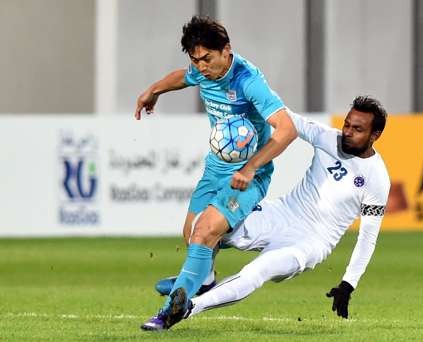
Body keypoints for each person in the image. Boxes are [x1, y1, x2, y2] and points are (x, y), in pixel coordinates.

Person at [143, 95, 391, 330]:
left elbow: (368, 237)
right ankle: (205, 279)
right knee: (206, 224)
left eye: (357, 129)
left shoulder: (376, 179)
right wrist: (248, 96)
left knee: (256, 272)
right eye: (347, 124)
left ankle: (185, 309)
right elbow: (285, 118)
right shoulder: (327, 137)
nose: (347, 132)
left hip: (310, 242)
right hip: (280, 213)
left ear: (375, 135)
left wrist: (349, 283)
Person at [136, 16, 297, 330]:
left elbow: (287, 129)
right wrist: (153, 90)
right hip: (216, 167)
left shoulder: (248, 81)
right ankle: (205, 280)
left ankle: (170, 312)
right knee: (192, 232)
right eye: (195, 60)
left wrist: (251, 168)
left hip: (249, 174)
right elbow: (182, 77)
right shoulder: (201, 71)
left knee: (204, 233)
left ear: (227, 50)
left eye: (207, 59)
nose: (201, 66)